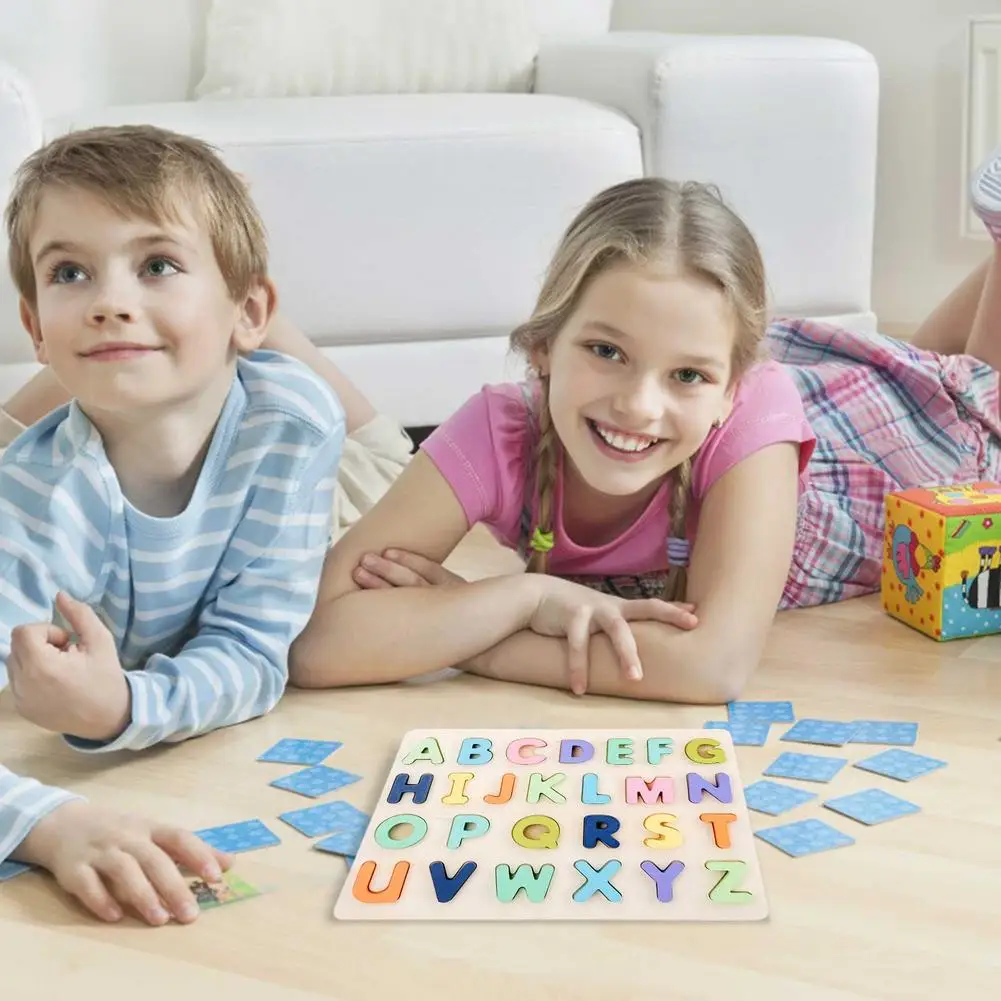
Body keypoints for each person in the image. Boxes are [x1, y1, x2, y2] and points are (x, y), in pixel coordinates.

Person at [287, 152, 1001, 704]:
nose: (637, 406)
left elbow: (711, 667)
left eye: (684, 374)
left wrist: (464, 636)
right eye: (605, 351)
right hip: (766, 403)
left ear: (728, 389)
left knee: (971, 397)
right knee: (946, 373)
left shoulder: (749, 411)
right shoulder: (496, 431)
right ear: (543, 346)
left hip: (886, 457)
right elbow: (314, 643)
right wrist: (524, 597)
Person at [0, 123, 353, 927]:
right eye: (69, 273)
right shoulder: (30, 502)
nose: (108, 301)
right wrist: (49, 824)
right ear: (36, 329)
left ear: (250, 311)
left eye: (156, 264)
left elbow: (253, 649)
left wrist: (122, 706)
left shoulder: (295, 423)